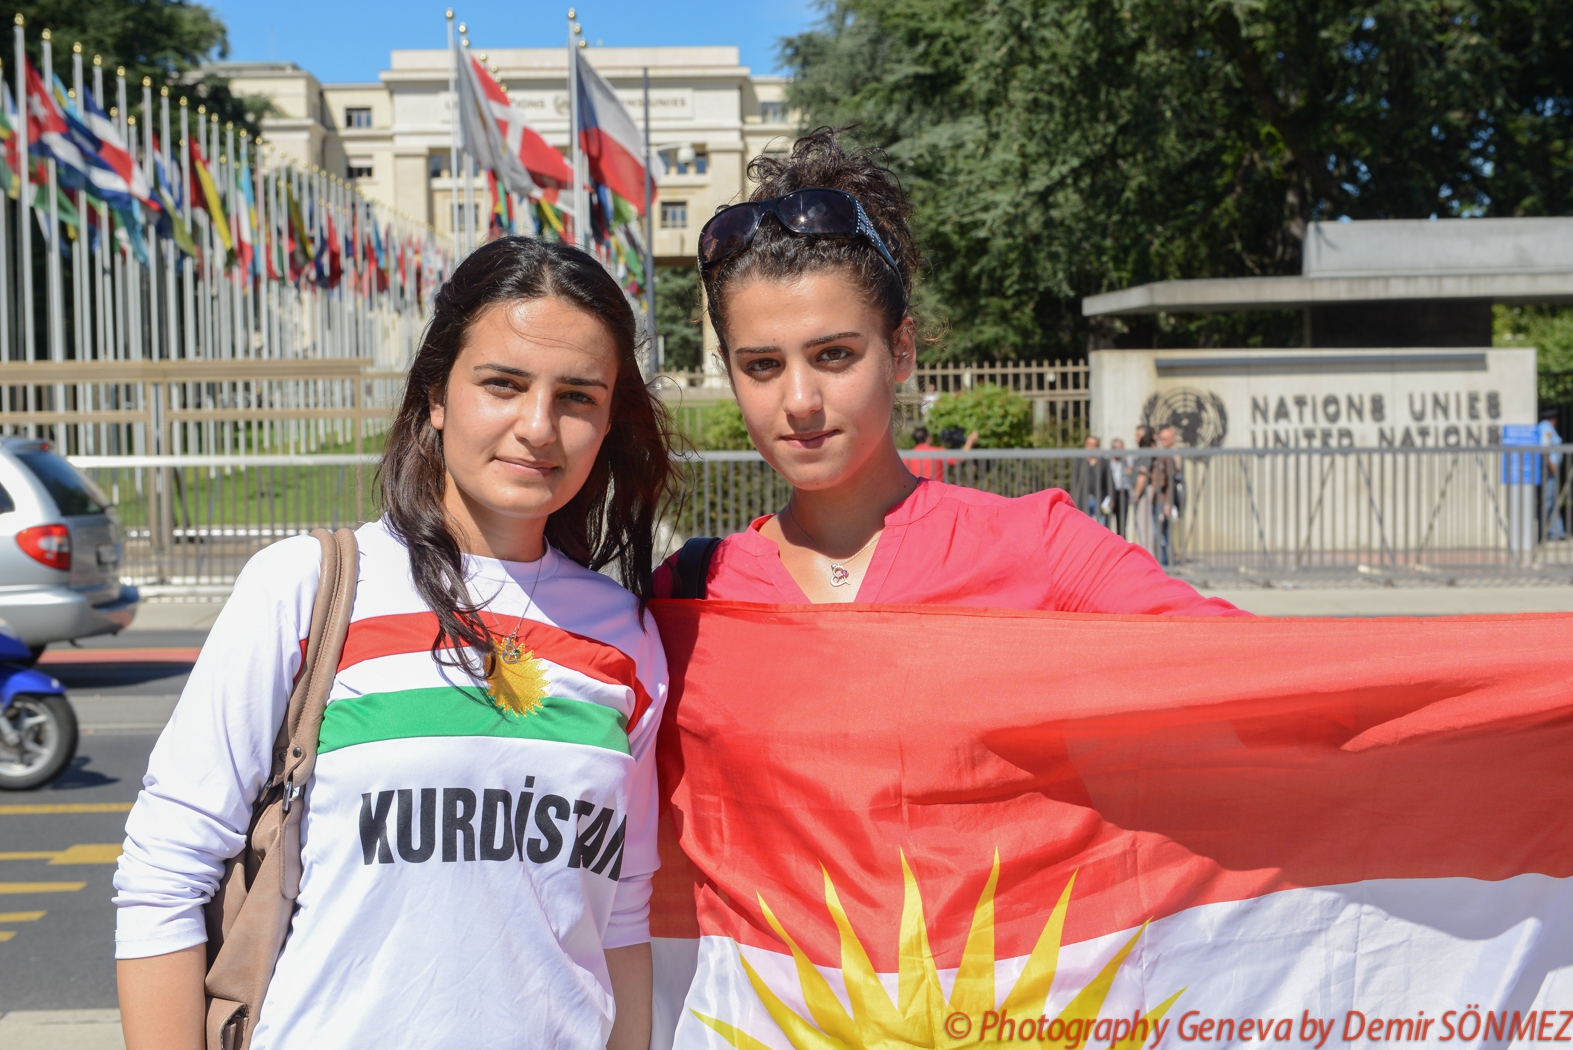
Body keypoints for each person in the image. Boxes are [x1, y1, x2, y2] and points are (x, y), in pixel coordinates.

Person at [114, 239, 676, 1050]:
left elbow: (621, 910)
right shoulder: (306, 587)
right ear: (435, 395)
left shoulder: (624, 638)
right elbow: (164, 874)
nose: (538, 426)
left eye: (577, 397)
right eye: (502, 384)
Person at [657, 127, 1242, 613]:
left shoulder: (1041, 548)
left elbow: (1258, 671)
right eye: (761, 365)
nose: (801, 400)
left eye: (834, 355)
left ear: (902, 349)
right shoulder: (684, 596)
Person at [1071, 435, 1112, 527]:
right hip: (1084, 500)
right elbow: (1075, 482)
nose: (1092, 447)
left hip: (1100, 500)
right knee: (1085, 527)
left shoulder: (1104, 462)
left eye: (1094, 445)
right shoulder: (1080, 462)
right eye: (1089, 445)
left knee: (1102, 527)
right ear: (1086, 446)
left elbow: (1109, 482)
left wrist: (1112, 499)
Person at [1538, 410, 1566, 541]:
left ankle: (1557, 532)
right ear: (1553, 419)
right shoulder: (1546, 428)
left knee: (1553, 500)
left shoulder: (1545, 427)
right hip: (1549, 471)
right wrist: (1551, 465)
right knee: (1548, 501)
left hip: (1551, 471)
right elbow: (1545, 448)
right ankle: (1545, 532)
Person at [1131, 426, 1157, 557]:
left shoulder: (1145, 452)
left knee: (1144, 526)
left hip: (1143, 493)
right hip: (1142, 493)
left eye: (1138, 435)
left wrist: (1136, 493)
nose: (1135, 438)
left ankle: (1149, 558)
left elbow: (1143, 474)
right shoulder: (1144, 452)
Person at [1108, 436, 1132, 538]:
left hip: (1123, 492)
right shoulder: (1107, 460)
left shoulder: (1127, 460)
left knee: (1122, 524)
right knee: (1106, 523)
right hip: (1109, 493)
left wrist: (1127, 463)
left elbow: (1131, 477)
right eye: (1119, 448)